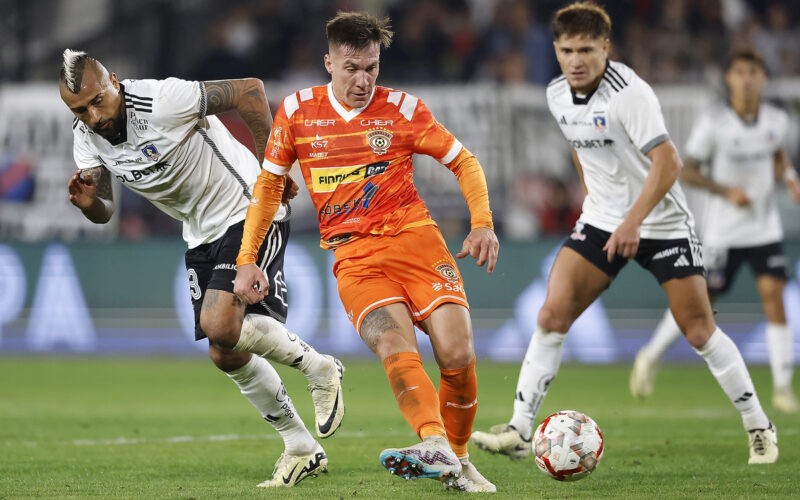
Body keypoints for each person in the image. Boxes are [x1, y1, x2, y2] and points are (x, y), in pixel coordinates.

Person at [471, 2, 778, 465]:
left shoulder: (629, 93)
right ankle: (518, 428)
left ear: (606, 48)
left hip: (662, 223)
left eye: (587, 50)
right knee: (552, 314)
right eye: (568, 50)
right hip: (601, 220)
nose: (577, 60)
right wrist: (598, 204)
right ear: (555, 49)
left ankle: (759, 425)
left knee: (698, 330)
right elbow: (581, 150)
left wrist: (633, 220)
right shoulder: (556, 94)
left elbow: (669, 162)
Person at [233, 11, 499, 492]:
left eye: (371, 68)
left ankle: (458, 462)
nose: (362, 80)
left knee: (457, 356)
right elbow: (269, 186)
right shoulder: (296, 112)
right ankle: (434, 441)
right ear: (328, 62)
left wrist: (482, 223)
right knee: (396, 346)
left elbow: (465, 161)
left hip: (418, 242)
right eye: (351, 67)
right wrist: (247, 257)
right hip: (355, 258)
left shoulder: (403, 109)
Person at [59, 49, 345, 488]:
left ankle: (319, 368)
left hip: (247, 207)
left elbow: (249, 91)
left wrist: (275, 168)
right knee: (223, 351)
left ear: (114, 81)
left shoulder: (161, 100)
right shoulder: (86, 138)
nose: (93, 115)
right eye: (80, 109)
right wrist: (89, 204)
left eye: (98, 100)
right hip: (199, 234)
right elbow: (106, 210)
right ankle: (301, 447)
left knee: (219, 323)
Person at [631, 47, 800, 413]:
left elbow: (777, 152)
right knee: (699, 307)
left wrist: (788, 176)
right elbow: (687, 169)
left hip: (764, 227)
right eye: (739, 72)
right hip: (723, 232)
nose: (747, 79)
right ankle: (651, 355)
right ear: (729, 78)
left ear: (763, 79)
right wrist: (726, 191)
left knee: (775, 297)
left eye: (753, 72)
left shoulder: (775, 119)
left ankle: (783, 389)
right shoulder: (715, 123)